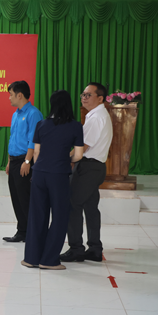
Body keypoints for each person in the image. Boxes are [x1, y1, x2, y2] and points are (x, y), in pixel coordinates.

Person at [22, 90, 85, 270]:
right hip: (58, 175)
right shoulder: (75, 126)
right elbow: (78, 155)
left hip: (39, 173)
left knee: (37, 216)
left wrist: (42, 165)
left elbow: (36, 153)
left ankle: (31, 258)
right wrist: (65, 159)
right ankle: (49, 260)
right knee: (59, 216)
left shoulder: (41, 124)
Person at [60, 82, 113, 263]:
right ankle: (95, 248)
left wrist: (62, 159)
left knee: (72, 205)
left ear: (100, 98)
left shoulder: (97, 117)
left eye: (88, 95)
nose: (84, 98)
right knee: (90, 208)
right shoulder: (97, 115)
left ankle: (76, 249)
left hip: (89, 168)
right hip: (94, 167)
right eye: (83, 94)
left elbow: (82, 148)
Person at [3, 81, 43, 243]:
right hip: (14, 161)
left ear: (19, 95)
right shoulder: (16, 114)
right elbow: (12, 138)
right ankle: (22, 231)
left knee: (25, 198)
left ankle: (32, 233)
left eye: (11, 94)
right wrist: (9, 161)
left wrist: (27, 161)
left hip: (25, 161)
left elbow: (33, 140)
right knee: (16, 197)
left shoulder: (33, 114)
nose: (9, 98)